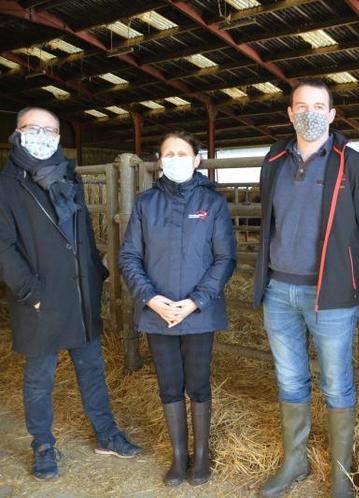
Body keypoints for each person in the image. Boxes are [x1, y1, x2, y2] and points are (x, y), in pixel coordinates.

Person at [252, 79, 359, 497]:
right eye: (301, 105)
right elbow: (267, 217)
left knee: (336, 382)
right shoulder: (274, 159)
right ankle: (296, 462)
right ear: (290, 114)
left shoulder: (353, 164)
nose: (309, 112)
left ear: (331, 114)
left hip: (328, 297)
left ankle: (341, 478)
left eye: (319, 105)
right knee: (290, 380)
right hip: (279, 292)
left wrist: (342, 269)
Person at [0, 107, 141, 480]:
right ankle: (43, 444)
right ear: (17, 133)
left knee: (91, 366)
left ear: (60, 138)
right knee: (40, 376)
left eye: (50, 130)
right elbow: (2, 246)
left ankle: (106, 433)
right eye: (34, 129)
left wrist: (95, 273)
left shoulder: (68, 176)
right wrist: (31, 291)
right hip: (41, 295)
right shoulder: (7, 185)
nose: (42, 135)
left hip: (79, 291)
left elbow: (80, 232)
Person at [119, 130, 236, 486]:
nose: (175, 159)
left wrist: (196, 301)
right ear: (159, 161)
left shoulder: (212, 203)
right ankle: (179, 455)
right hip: (158, 313)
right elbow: (129, 257)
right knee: (169, 384)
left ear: (196, 160)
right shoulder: (145, 204)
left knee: (198, 383)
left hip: (198, 313)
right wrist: (151, 299)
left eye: (182, 153)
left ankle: (201, 456)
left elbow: (225, 258)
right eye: (168, 153)